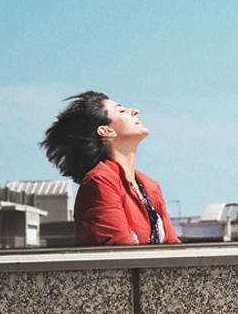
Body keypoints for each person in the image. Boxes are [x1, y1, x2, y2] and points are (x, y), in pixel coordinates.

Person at [41, 92, 179, 246]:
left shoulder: (150, 186)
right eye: (121, 111)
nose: (134, 110)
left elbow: (173, 246)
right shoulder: (100, 182)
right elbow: (120, 249)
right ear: (106, 131)